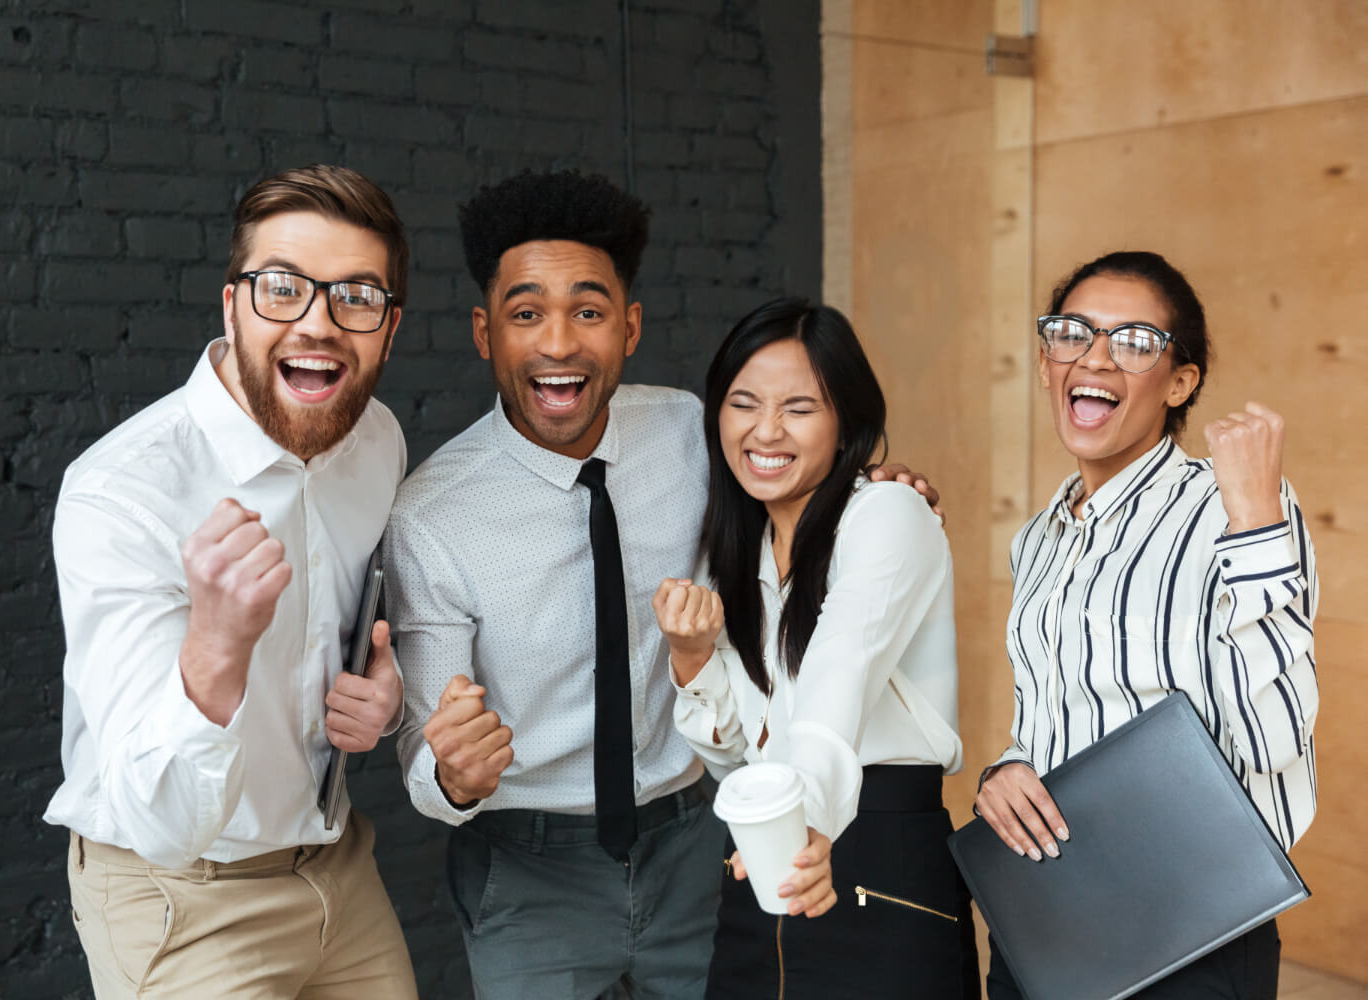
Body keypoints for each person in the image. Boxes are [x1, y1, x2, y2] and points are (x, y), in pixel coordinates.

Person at [384, 171, 939, 999]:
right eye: (526, 312)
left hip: (695, 844)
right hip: (531, 873)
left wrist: (871, 490)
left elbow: (785, 479)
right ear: (484, 332)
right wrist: (452, 773)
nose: (560, 343)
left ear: (630, 326)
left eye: (590, 310)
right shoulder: (432, 515)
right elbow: (427, 753)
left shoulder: (688, 430)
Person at [44, 164, 418, 999]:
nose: (318, 324)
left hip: (337, 866)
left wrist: (385, 694)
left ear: (389, 331)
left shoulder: (378, 442)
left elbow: (357, 628)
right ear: (232, 306)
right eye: (282, 288)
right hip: (179, 894)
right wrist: (214, 646)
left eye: (356, 297)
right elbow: (163, 822)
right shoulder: (123, 490)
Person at [974, 251, 1319, 999]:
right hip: (1044, 922)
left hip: (1188, 934)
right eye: (1073, 335)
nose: (1094, 358)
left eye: (1132, 343)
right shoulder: (1037, 537)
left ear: (1181, 381)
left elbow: (1276, 740)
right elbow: (1051, 717)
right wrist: (1007, 772)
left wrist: (1258, 521)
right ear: (1045, 362)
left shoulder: (1234, 508)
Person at [654, 298, 979, 999]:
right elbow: (740, 755)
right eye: (743, 403)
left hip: (875, 851)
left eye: (799, 408)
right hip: (766, 853)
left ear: (847, 424)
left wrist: (808, 822)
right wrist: (692, 659)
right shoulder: (730, 554)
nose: (765, 430)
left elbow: (840, 674)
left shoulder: (889, 515)